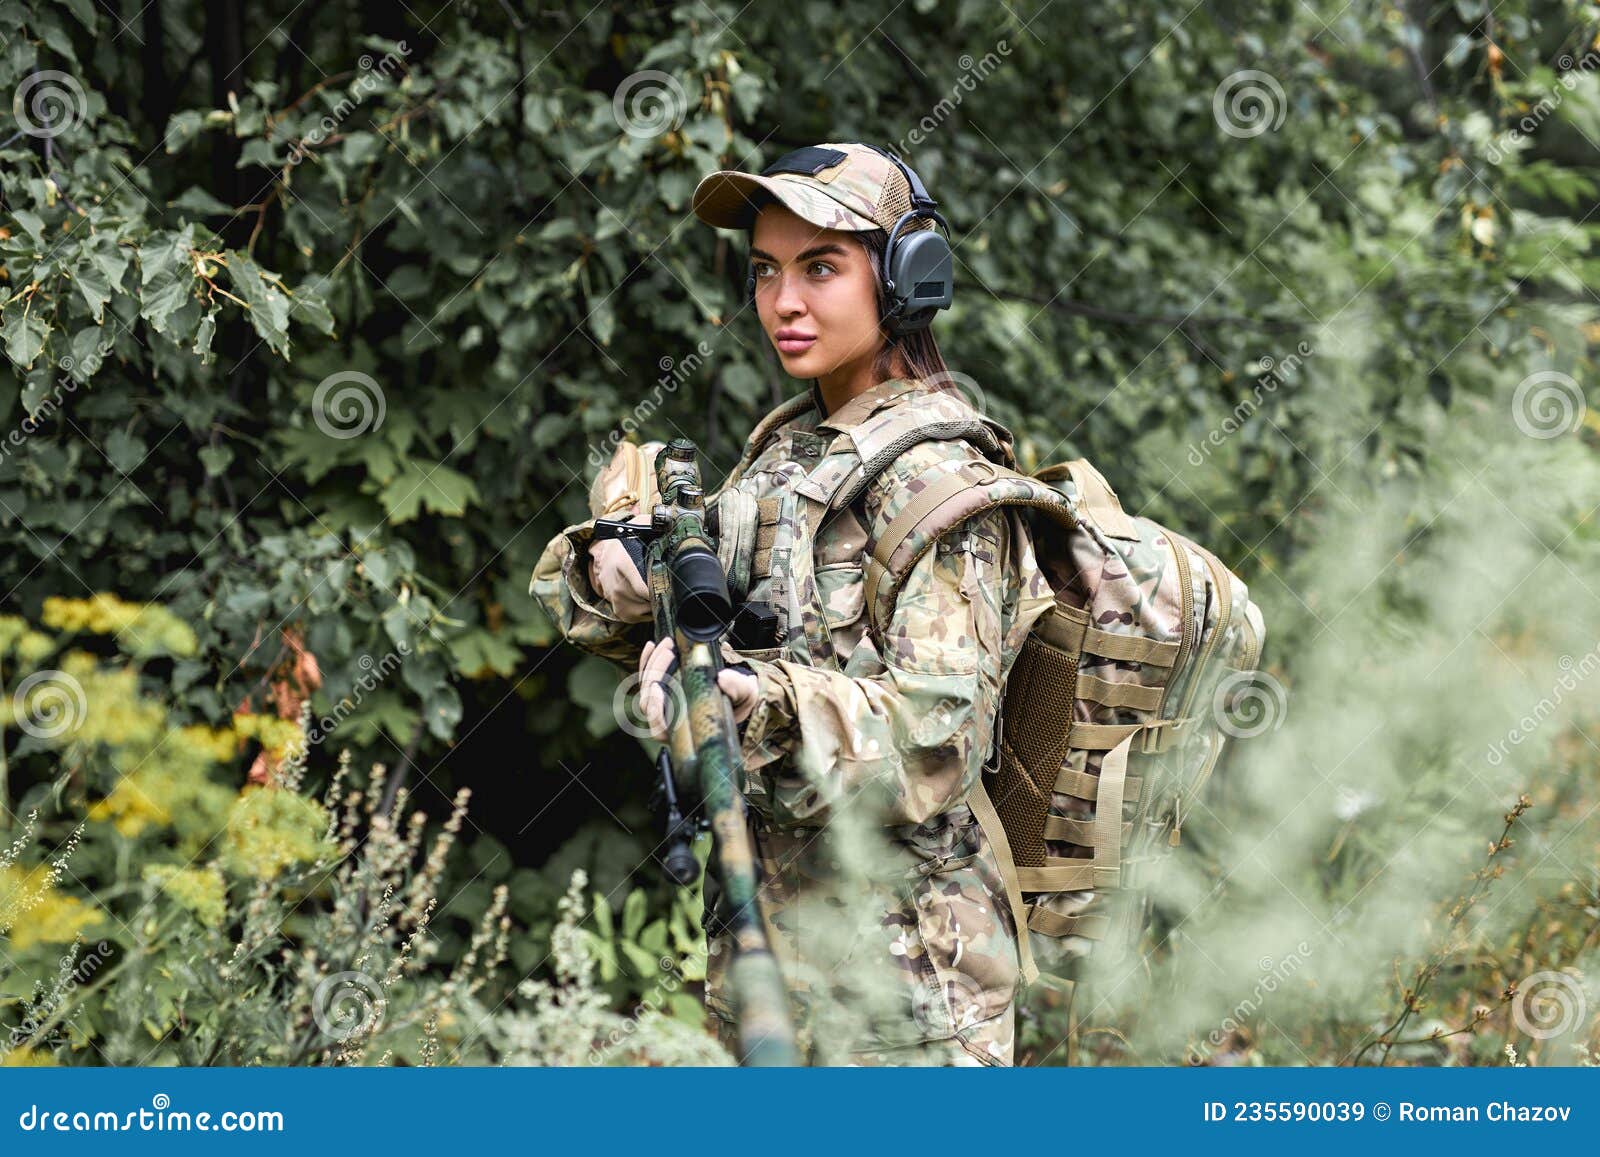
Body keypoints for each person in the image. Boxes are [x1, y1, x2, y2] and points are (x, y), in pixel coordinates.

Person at [530, 142, 1056, 1066]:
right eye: (767, 269)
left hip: (910, 1010)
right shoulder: (794, 452)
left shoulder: (942, 486)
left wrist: (754, 702)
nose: (784, 301)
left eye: (821, 267)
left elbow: (933, 739)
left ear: (904, 276)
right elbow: (737, 623)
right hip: (773, 975)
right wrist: (620, 581)